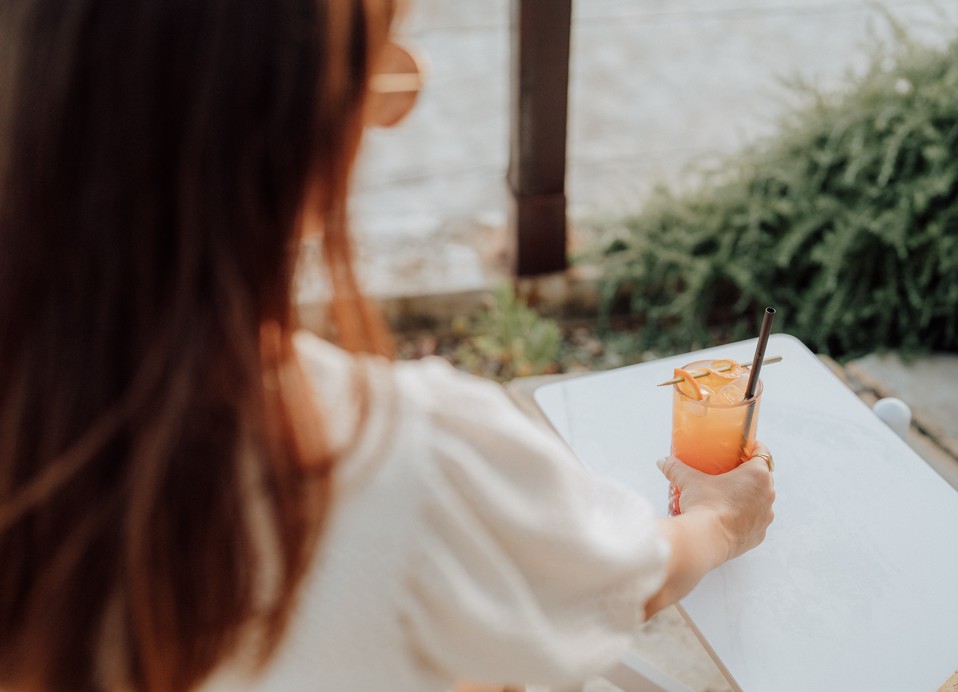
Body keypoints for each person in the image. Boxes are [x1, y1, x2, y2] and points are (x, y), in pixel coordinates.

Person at [0, 0, 775, 690]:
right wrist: (720, 522)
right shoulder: (403, 463)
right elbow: (621, 577)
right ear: (305, 141)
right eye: (382, 70)